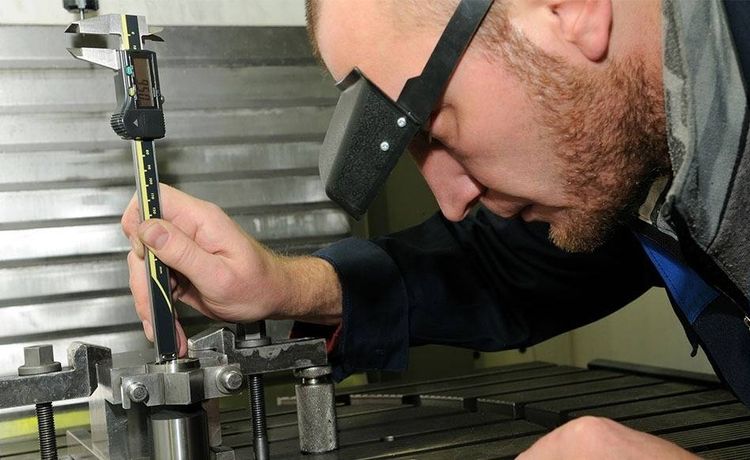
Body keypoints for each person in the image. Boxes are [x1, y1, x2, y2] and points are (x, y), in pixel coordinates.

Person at [122, 0, 750, 457]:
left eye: (439, 129)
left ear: (570, 8)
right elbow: (505, 268)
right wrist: (284, 286)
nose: (451, 201)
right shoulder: (646, 149)